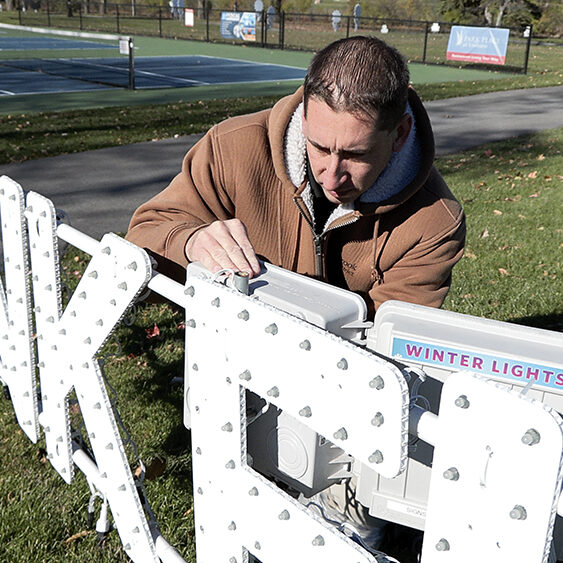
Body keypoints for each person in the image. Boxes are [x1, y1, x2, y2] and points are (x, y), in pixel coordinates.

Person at [126, 36, 465, 320]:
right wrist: (190, 242)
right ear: (304, 115)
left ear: (401, 133)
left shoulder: (434, 221)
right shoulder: (231, 148)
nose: (332, 176)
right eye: (319, 147)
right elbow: (138, 247)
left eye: (355, 155)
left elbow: (388, 344)